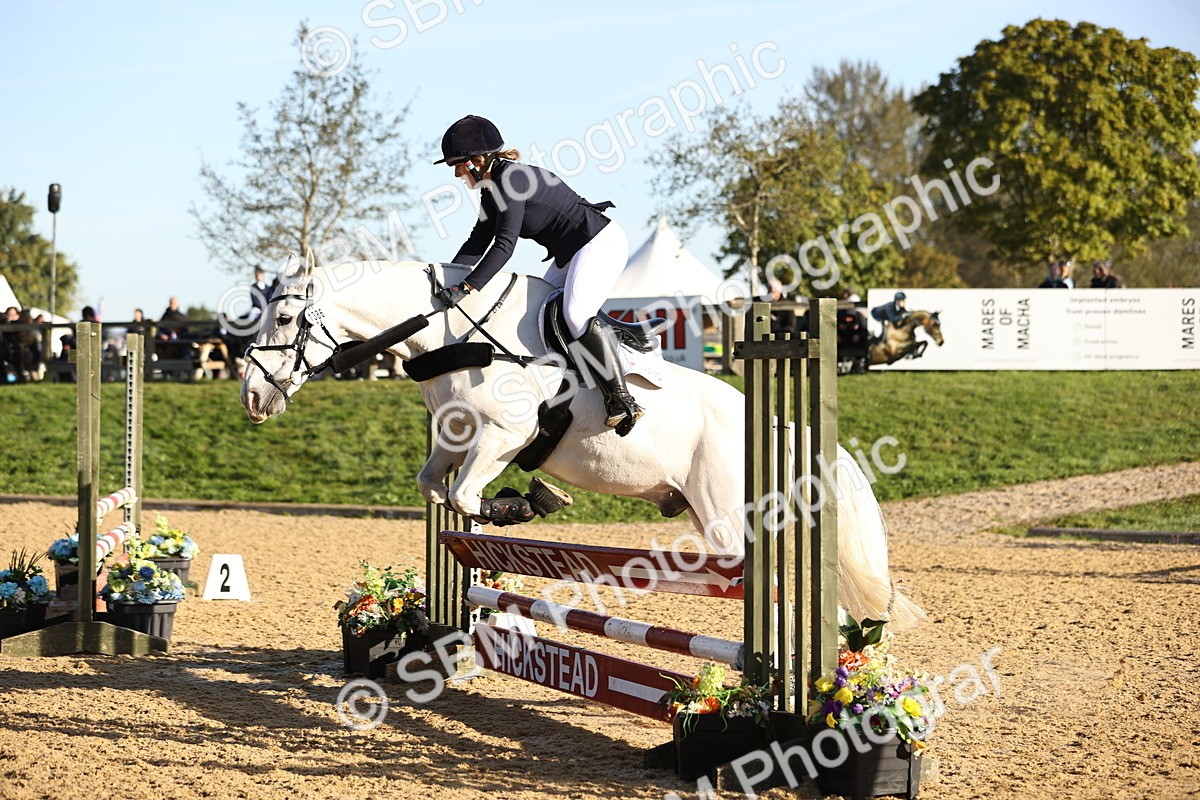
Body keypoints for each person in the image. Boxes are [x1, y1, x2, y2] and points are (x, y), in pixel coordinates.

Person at [434, 115, 642, 434]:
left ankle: (622, 399)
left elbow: (504, 245)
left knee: (573, 314)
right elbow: (479, 240)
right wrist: (447, 277)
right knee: (540, 307)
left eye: (458, 165)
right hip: (571, 252)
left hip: (599, 243)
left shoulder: (512, 180)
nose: (457, 173)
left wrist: (467, 286)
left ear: (478, 160)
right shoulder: (492, 186)